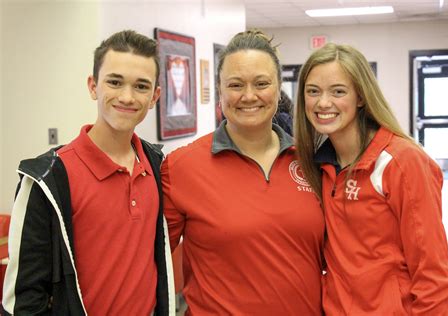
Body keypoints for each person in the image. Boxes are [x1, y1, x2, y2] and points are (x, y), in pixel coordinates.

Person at [2, 30, 174, 315]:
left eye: (141, 86)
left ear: (155, 95)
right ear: (93, 86)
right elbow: (23, 300)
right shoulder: (48, 179)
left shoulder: (157, 166)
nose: (127, 97)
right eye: (115, 82)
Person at [162, 30, 324, 315]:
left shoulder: (310, 162)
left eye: (261, 83)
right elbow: (150, 263)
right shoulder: (181, 167)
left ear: (277, 89)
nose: (249, 96)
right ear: (220, 91)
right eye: (235, 85)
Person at [294, 43, 448, 314]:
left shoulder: (402, 161)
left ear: (360, 96)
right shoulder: (317, 166)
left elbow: (435, 279)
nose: (323, 103)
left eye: (338, 91)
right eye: (313, 91)